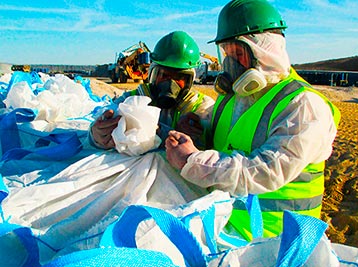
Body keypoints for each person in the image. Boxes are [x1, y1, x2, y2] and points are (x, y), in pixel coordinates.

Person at [165, 0, 341, 241]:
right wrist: (193, 133)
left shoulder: (302, 106)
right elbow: (220, 141)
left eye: (238, 53)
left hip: (275, 241)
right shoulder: (232, 98)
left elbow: (267, 170)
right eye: (226, 53)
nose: (230, 63)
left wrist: (193, 161)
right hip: (222, 222)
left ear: (265, 51)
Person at [89, 31, 214, 150]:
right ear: (152, 75)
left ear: (190, 81)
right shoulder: (131, 100)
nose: (170, 84)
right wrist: (96, 136)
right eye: (164, 75)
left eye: (179, 77)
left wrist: (193, 135)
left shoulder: (203, 108)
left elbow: (212, 150)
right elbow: (102, 124)